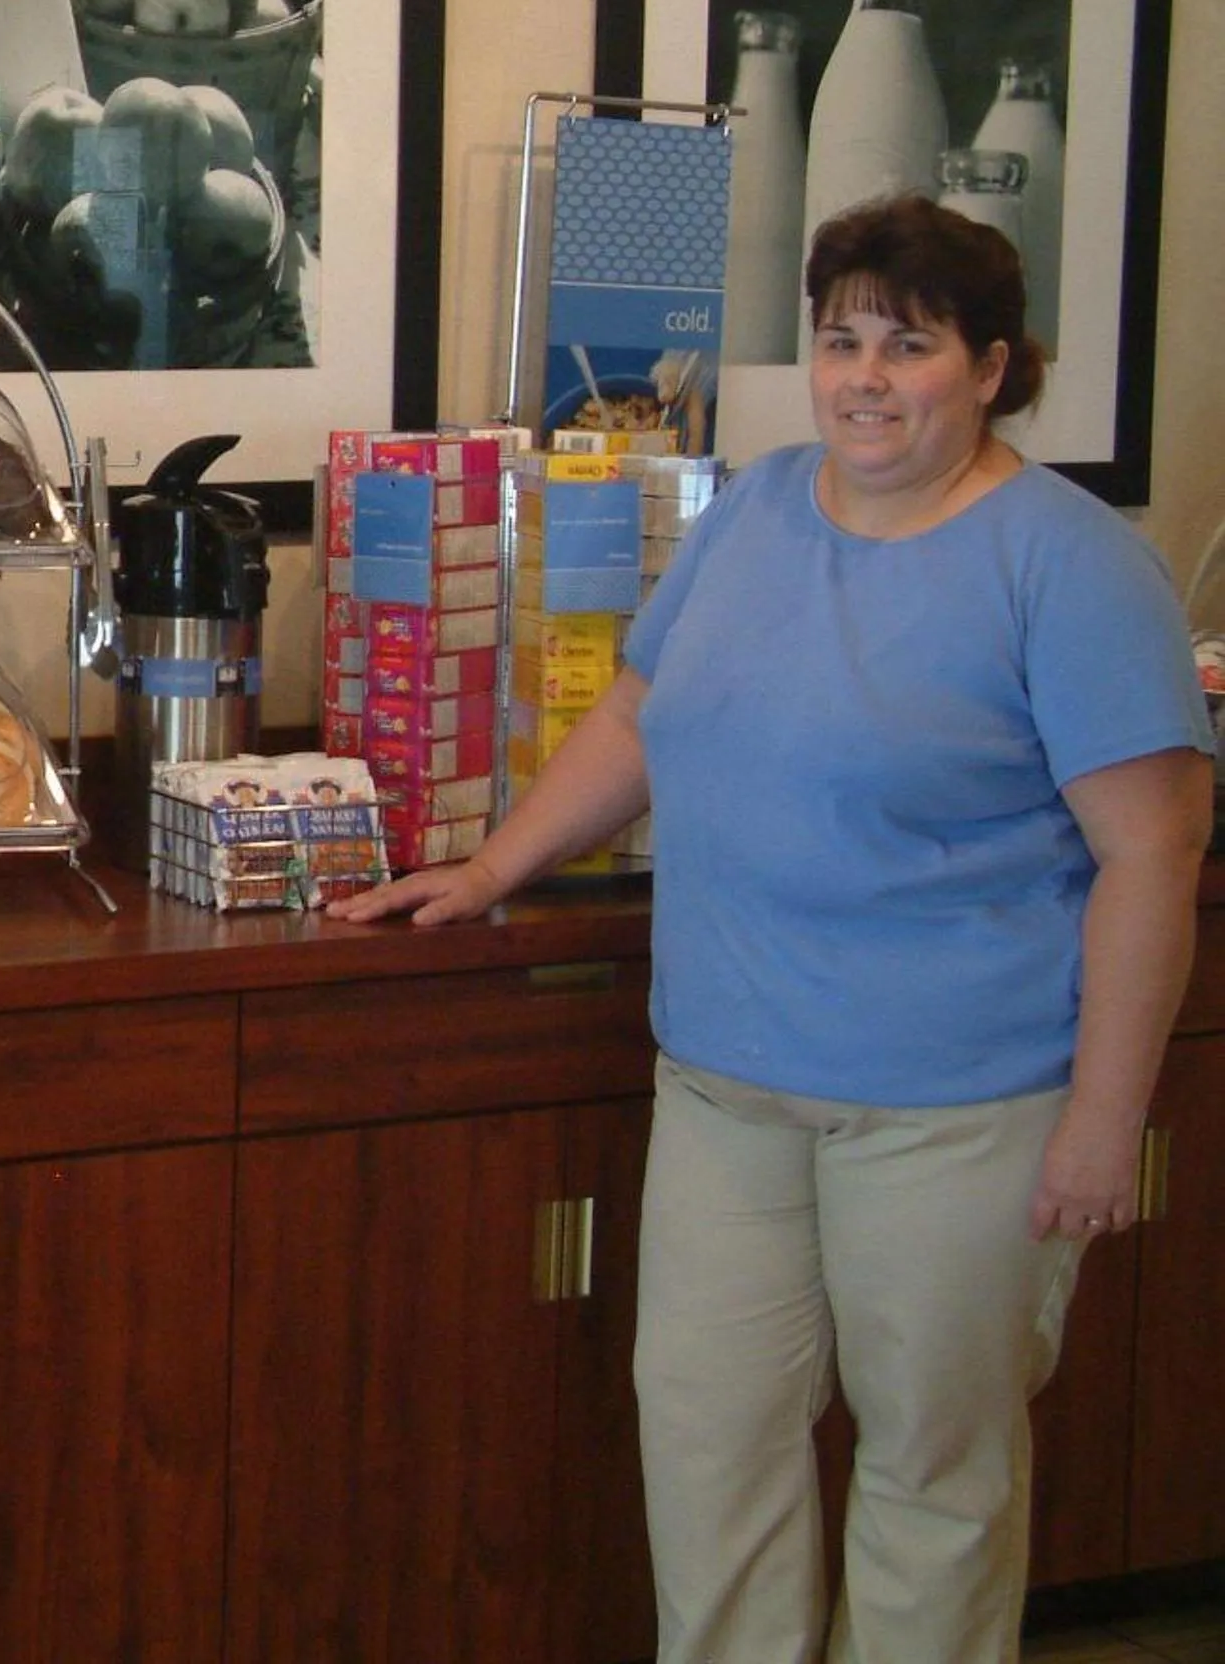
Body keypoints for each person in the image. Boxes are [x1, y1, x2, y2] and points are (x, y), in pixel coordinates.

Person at [333, 195, 1211, 1663]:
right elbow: (642, 712)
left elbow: (1153, 856)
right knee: (706, 1442)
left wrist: (1103, 1124)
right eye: (840, 338)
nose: (865, 375)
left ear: (991, 369)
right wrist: (496, 869)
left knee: (934, 1474)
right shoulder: (756, 508)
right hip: (728, 1087)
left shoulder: (1066, 564)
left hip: (955, 1110)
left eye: (910, 345)